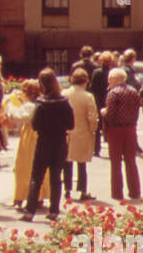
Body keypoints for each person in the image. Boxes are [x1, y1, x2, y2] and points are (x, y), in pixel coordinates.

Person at [22, 68, 74, 221]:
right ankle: (53, 210)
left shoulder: (40, 103)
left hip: (43, 142)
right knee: (56, 177)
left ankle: (29, 211)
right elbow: (71, 124)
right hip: (59, 142)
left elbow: (35, 125)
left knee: (36, 177)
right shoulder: (64, 102)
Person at [7, 79, 50, 209]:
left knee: (24, 167)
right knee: (38, 167)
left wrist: (9, 104)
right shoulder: (42, 102)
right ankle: (38, 197)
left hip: (30, 137)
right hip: (40, 135)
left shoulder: (30, 106)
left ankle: (21, 197)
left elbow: (17, 116)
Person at [102, 66, 141, 203]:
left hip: (116, 130)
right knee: (131, 162)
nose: (108, 82)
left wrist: (103, 112)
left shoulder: (113, 94)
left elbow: (110, 114)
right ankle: (135, 191)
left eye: (109, 79)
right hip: (130, 129)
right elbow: (137, 111)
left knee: (116, 162)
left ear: (115, 79)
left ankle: (117, 193)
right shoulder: (133, 91)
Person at [63, 67, 98, 202]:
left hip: (67, 132)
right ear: (85, 81)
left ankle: (67, 190)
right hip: (83, 132)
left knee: (67, 162)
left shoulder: (64, 94)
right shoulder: (88, 96)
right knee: (81, 163)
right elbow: (92, 117)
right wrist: (93, 130)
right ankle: (82, 190)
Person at [90, 51, 114, 156]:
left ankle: (96, 149)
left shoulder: (97, 72)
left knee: (98, 126)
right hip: (110, 100)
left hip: (99, 101)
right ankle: (112, 148)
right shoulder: (113, 72)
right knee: (110, 126)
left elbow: (92, 88)